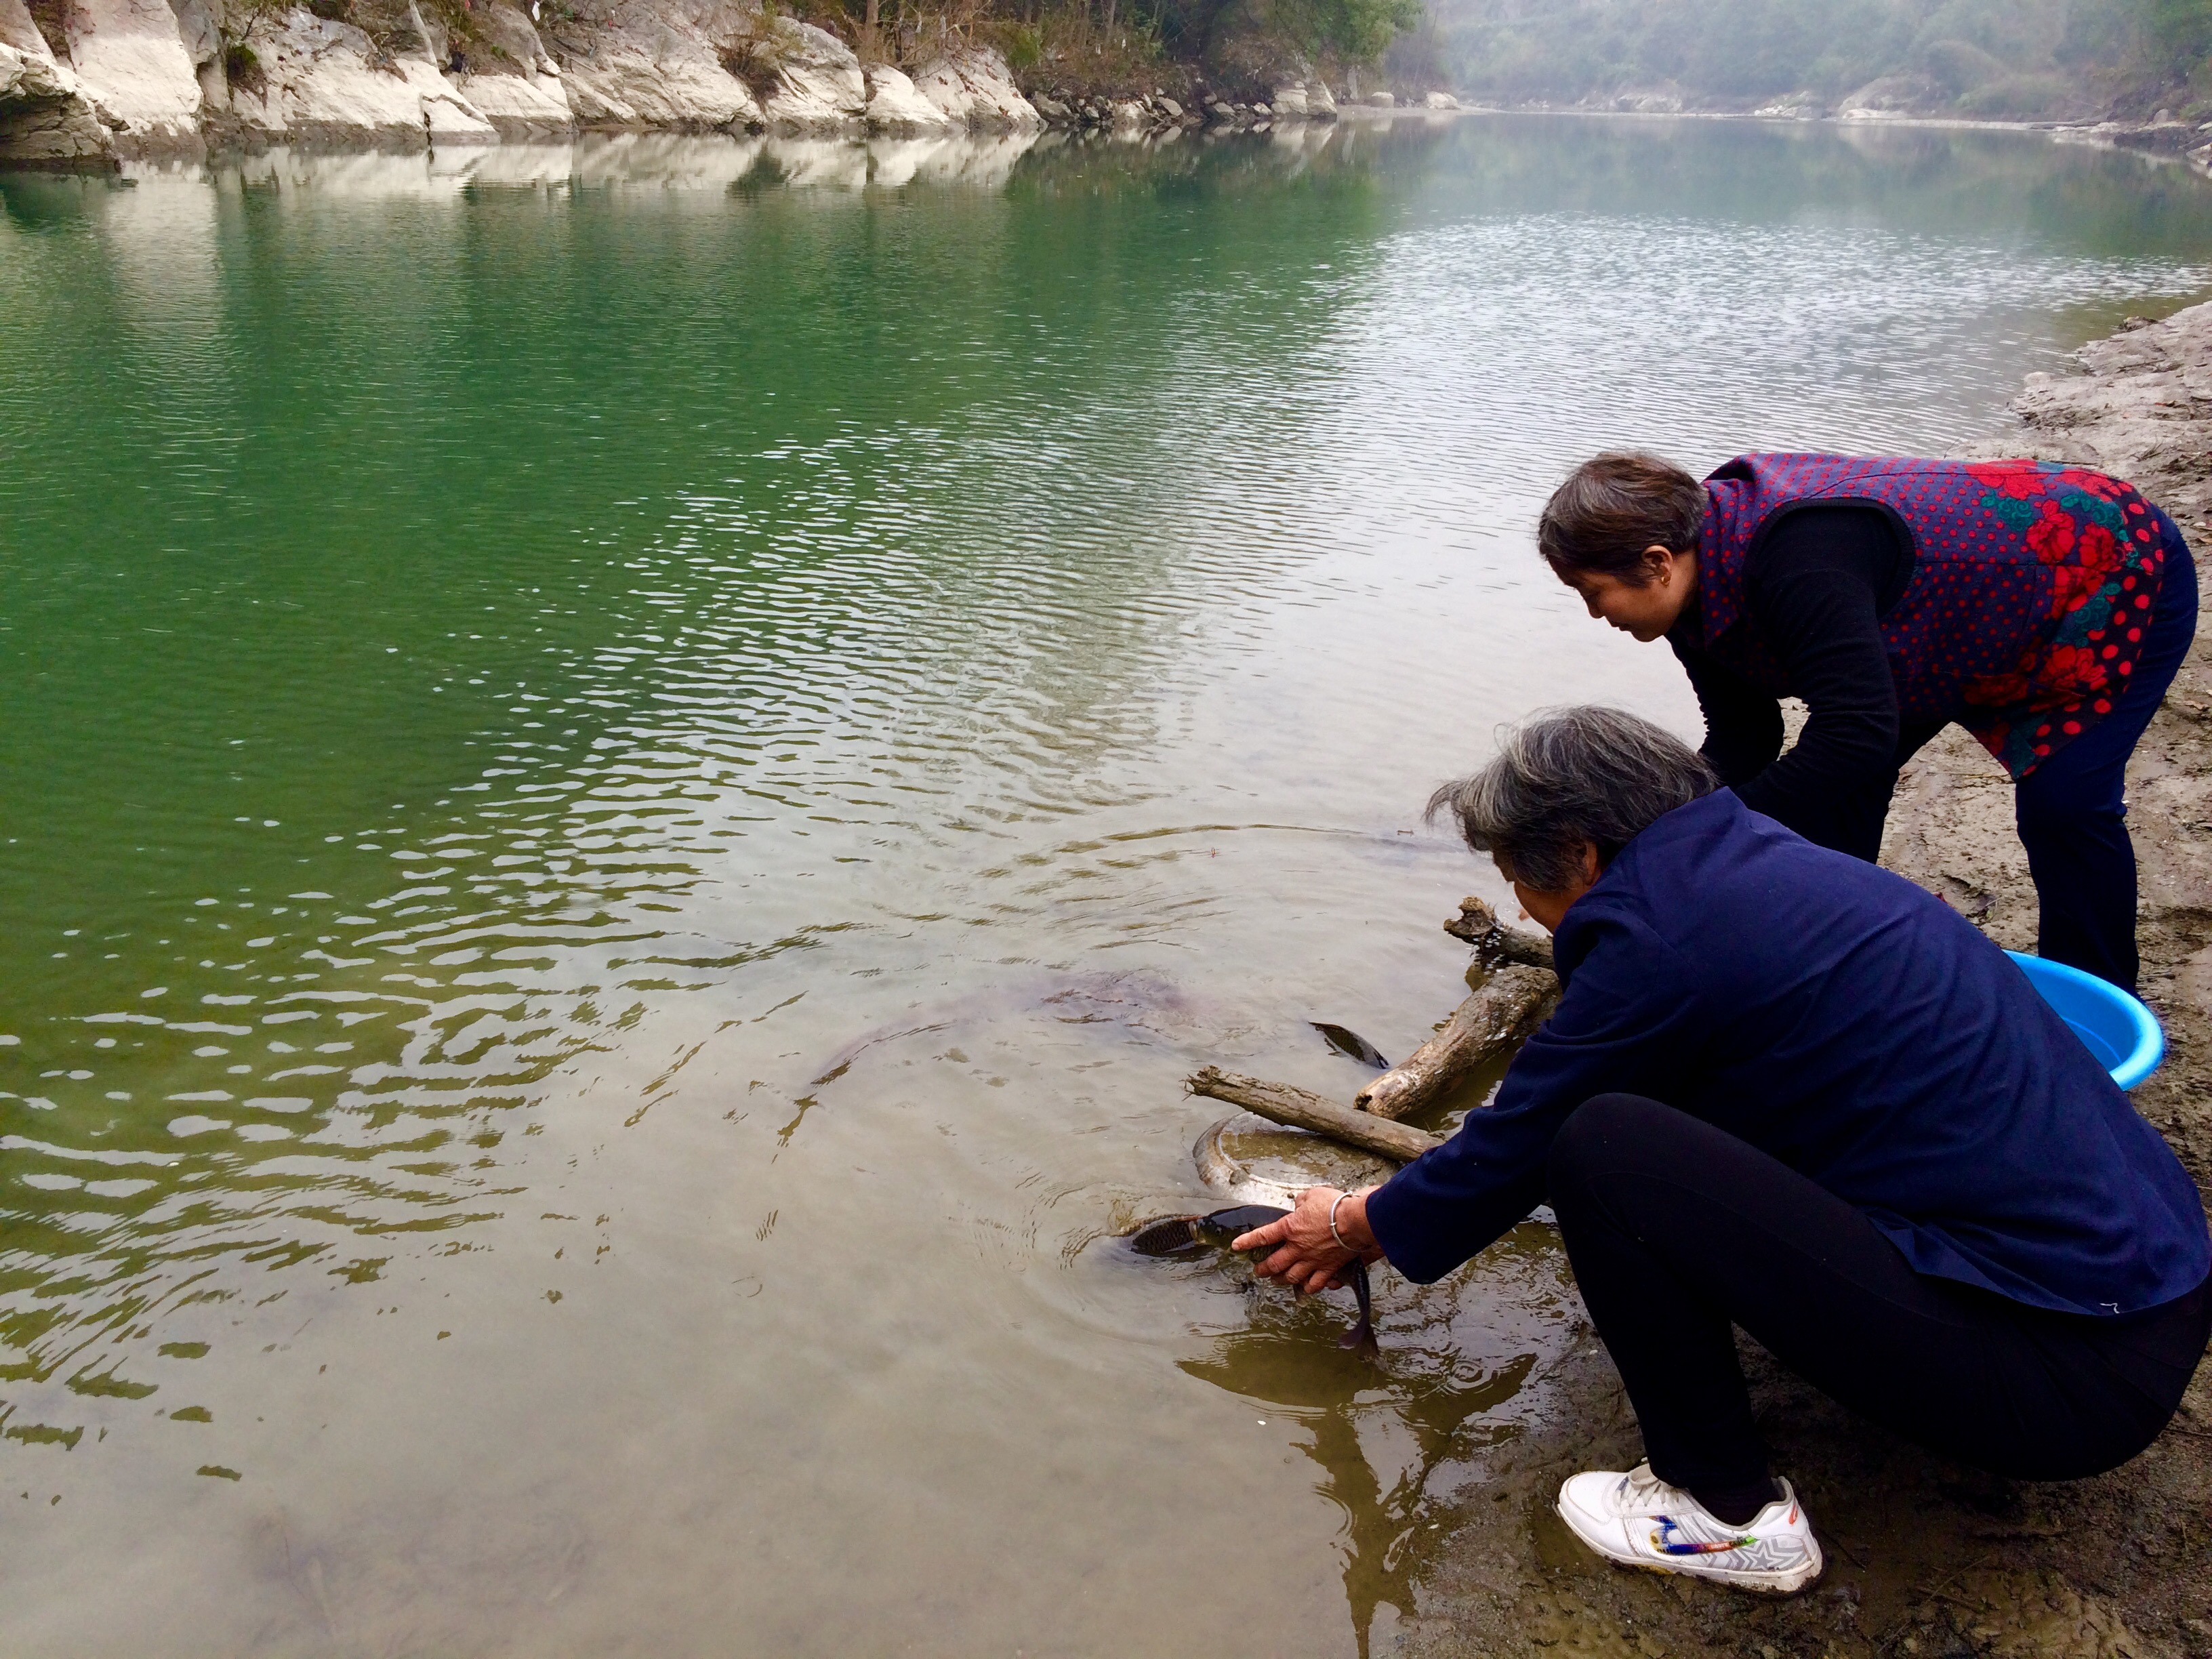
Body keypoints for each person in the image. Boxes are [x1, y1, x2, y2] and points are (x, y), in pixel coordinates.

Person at [1234, 707, 2210, 1594]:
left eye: (1519, 883)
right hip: (2156, 1281)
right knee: (1654, 1117)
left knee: (1604, 1147)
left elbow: (1517, 1142)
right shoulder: (1775, 865)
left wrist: (1355, 1224)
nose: (1526, 912)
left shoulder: (1658, 942)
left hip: (2069, 1379)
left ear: (1577, 855)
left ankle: (1729, 1514)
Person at [1534, 451, 2198, 991]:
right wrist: (1655, 827)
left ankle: (2095, 1002)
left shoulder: (1799, 560)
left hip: (2102, 575)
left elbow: (1855, 732)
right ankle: (1831, 966)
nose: (1596, 615)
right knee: (1837, 795)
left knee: (2066, 806)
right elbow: (1748, 737)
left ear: (1655, 562)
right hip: (1948, 630)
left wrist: (1711, 837)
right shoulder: (1688, 594)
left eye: (1593, 593)